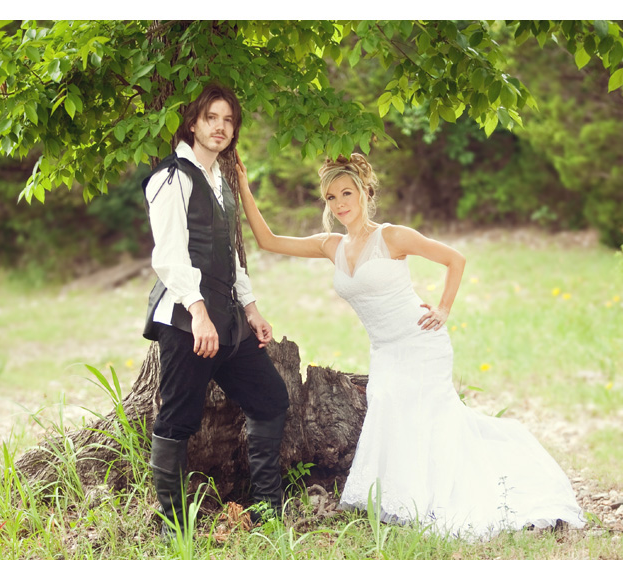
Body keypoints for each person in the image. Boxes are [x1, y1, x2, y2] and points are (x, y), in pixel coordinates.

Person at [235, 152, 585, 540]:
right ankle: (406, 500)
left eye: (346, 193)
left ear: (365, 192)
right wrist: (243, 186)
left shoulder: (392, 236)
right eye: (331, 198)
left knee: (424, 417)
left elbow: (455, 259)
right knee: (389, 410)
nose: (340, 204)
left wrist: (443, 308)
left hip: (420, 342)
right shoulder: (330, 245)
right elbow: (268, 241)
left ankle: (439, 499)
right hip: (384, 350)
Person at [141, 83, 289, 538]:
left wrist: (252, 308)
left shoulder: (219, 181)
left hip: (228, 322)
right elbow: (169, 257)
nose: (221, 127)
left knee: (270, 400)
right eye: (212, 118)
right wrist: (200, 313)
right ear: (193, 122)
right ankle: (172, 527)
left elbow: (230, 254)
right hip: (188, 323)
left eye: (228, 121)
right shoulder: (172, 178)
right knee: (177, 420)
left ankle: (267, 509)